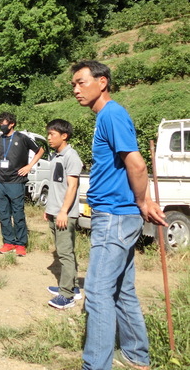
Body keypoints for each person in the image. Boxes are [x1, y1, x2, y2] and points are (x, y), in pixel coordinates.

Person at [71, 60, 166, 370]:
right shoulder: (107, 117)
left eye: (81, 82)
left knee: (98, 291)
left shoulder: (112, 114)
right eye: (73, 84)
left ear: (103, 82)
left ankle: (95, 366)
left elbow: (136, 165)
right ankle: (138, 358)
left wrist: (142, 200)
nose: (76, 90)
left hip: (114, 215)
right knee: (122, 290)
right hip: (116, 214)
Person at [0, 111, 44, 256]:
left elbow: (40, 150)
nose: (2, 126)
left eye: (4, 124)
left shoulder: (22, 138)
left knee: (18, 213)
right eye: (0, 124)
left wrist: (29, 166)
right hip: (1, 182)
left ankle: (21, 244)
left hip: (16, 182)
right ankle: (8, 242)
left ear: (12, 123)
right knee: (3, 214)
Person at [43, 119, 83, 310]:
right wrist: (49, 210)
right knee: (63, 251)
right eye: (48, 134)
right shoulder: (56, 155)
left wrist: (63, 212)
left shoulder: (71, 156)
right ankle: (72, 286)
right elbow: (56, 186)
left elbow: (72, 186)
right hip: (55, 211)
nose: (48, 138)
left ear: (64, 136)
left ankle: (67, 295)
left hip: (64, 214)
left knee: (66, 253)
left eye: (52, 134)